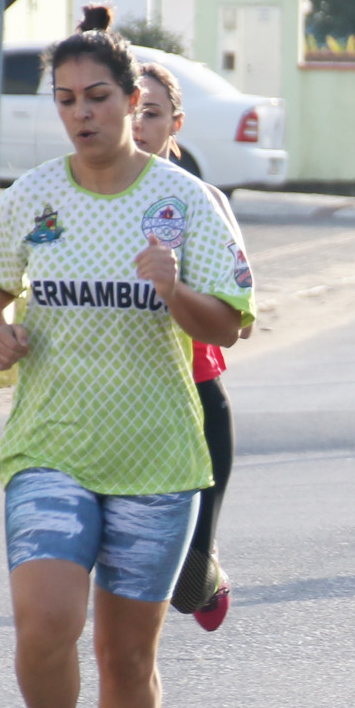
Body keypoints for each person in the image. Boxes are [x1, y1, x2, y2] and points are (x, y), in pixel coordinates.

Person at [0, 5, 255, 708]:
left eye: (97, 96)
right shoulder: (36, 195)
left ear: (136, 102)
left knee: (127, 655)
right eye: (66, 99)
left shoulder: (186, 202)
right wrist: (0, 329)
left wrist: (174, 292)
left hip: (158, 452)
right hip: (51, 441)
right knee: (43, 623)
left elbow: (232, 322)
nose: (82, 112)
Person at [133, 59, 234, 632]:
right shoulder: (80, 197)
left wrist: (175, 287)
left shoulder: (201, 201)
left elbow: (239, 317)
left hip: (195, 398)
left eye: (154, 113)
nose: (141, 124)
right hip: (114, 403)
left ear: (177, 123)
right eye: (133, 111)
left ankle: (207, 567)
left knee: (189, 591)